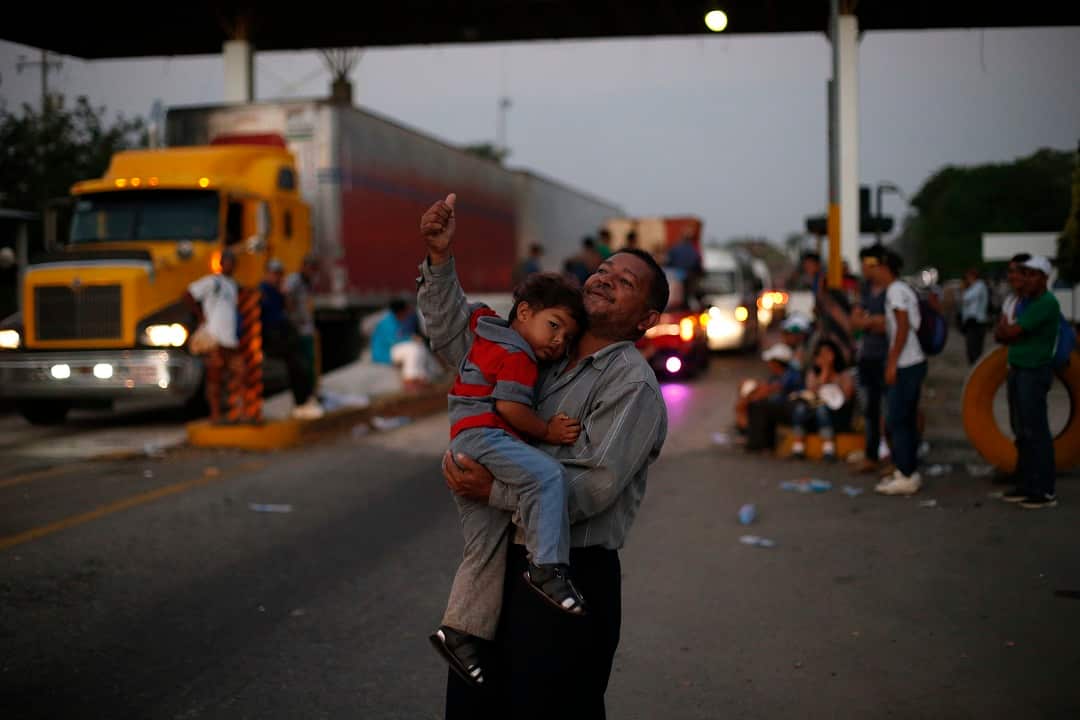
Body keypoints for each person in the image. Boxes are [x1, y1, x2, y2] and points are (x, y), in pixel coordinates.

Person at [418, 193, 668, 718]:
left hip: (568, 573)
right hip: (503, 569)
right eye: (602, 271)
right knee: (473, 708)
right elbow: (451, 338)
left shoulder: (631, 385)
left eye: (624, 282)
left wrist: (491, 490)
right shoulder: (536, 347)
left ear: (645, 319)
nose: (603, 280)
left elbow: (595, 486)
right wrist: (440, 260)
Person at [430, 273, 589, 688]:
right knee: (548, 475)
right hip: (485, 436)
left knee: (484, 548)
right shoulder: (517, 354)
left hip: (464, 444)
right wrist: (548, 432)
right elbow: (510, 408)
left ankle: (458, 631)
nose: (558, 342)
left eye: (567, 338)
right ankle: (547, 566)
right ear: (524, 312)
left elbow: (457, 314)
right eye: (554, 325)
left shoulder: (489, 333)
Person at [994, 255, 1060, 509]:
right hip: (1019, 369)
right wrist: (1006, 333)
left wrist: (1007, 332)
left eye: (1032, 275)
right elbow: (1002, 333)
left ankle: (1044, 489)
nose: (1026, 279)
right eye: (1025, 274)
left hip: (1034, 371)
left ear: (1044, 278)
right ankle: (1027, 482)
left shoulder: (1045, 303)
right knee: (1022, 430)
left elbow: (1009, 332)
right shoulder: (1025, 303)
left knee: (1036, 431)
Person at [870, 248, 927, 496]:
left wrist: (892, 363)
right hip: (912, 361)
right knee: (905, 417)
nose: (870, 272)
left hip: (907, 363)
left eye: (873, 267)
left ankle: (905, 473)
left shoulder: (895, 291)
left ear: (884, 268)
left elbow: (902, 326)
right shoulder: (902, 289)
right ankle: (907, 470)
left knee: (897, 420)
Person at [184, 248, 243, 424]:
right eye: (228, 261)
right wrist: (201, 316)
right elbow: (188, 294)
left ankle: (232, 411)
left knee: (237, 375)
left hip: (230, 340)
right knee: (215, 378)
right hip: (215, 339)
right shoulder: (212, 282)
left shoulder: (232, 285)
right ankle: (215, 414)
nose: (230, 265)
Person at [260, 259, 320, 419]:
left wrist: (283, 293)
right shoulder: (263, 291)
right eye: (275, 274)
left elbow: (288, 309)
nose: (278, 277)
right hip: (273, 335)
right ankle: (302, 401)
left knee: (301, 366)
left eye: (280, 274)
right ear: (267, 274)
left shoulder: (279, 292)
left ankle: (304, 400)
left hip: (285, 333)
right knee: (297, 365)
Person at [849, 246, 891, 474]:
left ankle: (895, 459)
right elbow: (854, 320)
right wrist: (872, 322)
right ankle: (871, 456)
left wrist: (868, 321)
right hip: (867, 357)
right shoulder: (865, 290)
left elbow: (890, 324)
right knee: (870, 410)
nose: (863, 269)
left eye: (866, 264)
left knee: (891, 411)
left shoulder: (893, 291)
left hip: (888, 357)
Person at [790, 339, 856, 461]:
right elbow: (812, 392)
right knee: (801, 409)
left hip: (837, 414)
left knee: (822, 410)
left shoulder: (844, 374)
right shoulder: (813, 373)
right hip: (815, 414)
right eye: (821, 354)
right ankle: (798, 447)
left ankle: (828, 449)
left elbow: (847, 396)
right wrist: (825, 371)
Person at [284, 254, 324, 418]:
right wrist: (294, 321)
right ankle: (303, 399)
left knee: (311, 364)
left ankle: (311, 395)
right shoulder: (294, 281)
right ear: (304, 267)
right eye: (311, 268)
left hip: (307, 329)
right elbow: (288, 301)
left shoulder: (308, 283)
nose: (312, 272)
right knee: (302, 367)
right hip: (298, 330)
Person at [370, 299, 439, 392]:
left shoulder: (399, 319)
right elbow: (393, 341)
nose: (408, 313)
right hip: (384, 353)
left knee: (419, 347)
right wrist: (411, 338)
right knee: (412, 348)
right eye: (406, 311)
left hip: (395, 350)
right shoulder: (387, 322)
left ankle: (421, 378)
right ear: (400, 311)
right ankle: (410, 381)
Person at [734, 343, 803, 435]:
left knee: (755, 403)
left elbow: (773, 389)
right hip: (779, 407)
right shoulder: (776, 376)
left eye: (770, 362)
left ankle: (751, 433)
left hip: (790, 411)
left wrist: (749, 397)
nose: (768, 364)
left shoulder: (791, 376)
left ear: (776, 363)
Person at [960, 267, 990, 365]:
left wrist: (964, 288)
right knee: (971, 351)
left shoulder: (979, 285)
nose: (967, 279)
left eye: (968, 277)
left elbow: (966, 298)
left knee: (975, 351)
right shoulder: (973, 287)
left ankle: (977, 374)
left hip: (977, 322)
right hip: (971, 323)